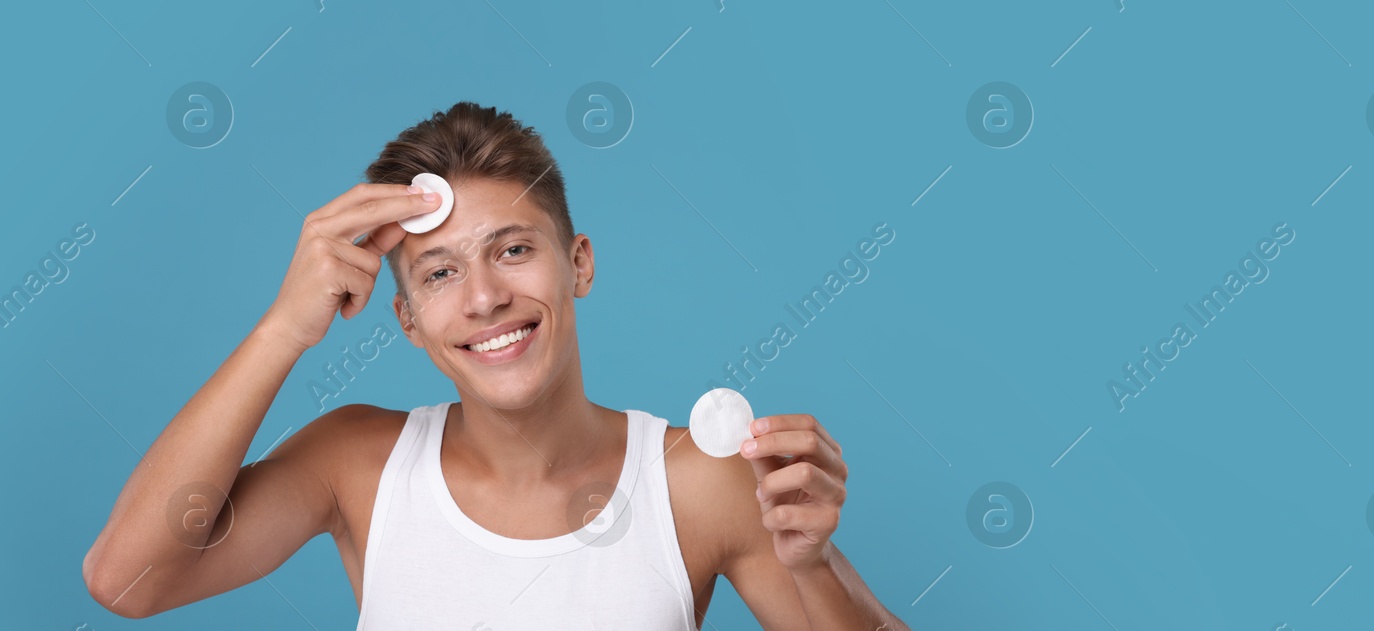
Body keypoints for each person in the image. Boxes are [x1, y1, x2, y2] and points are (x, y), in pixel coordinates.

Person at [82, 101, 907, 630]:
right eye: (440, 272)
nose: (483, 297)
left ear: (578, 263)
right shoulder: (357, 464)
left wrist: (816, 565)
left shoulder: (696, 478)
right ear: (407, 320)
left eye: (513, 249)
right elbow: (128, 581)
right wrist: (280, 332)